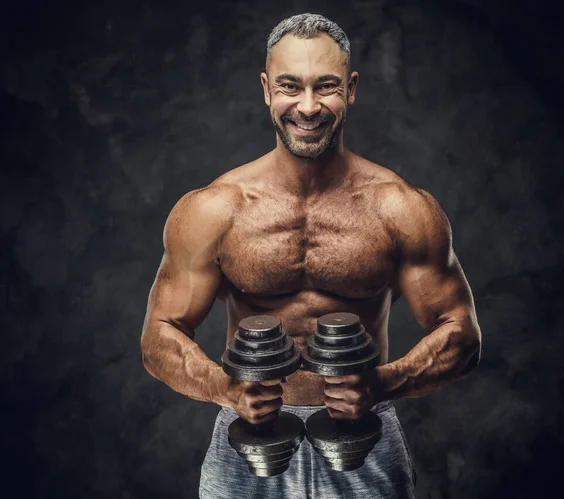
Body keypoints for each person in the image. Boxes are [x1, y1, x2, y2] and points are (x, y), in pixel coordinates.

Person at [140, 12, 482, 499]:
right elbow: (159, 335)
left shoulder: (399, 208)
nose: (307, 106)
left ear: (352, 88)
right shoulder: (215, 210)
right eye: (289, 86)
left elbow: (461, 334)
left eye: (325, 86)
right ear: (265, 89)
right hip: (247, 439)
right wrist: (227, 391)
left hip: (364, 437)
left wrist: (383, 384)